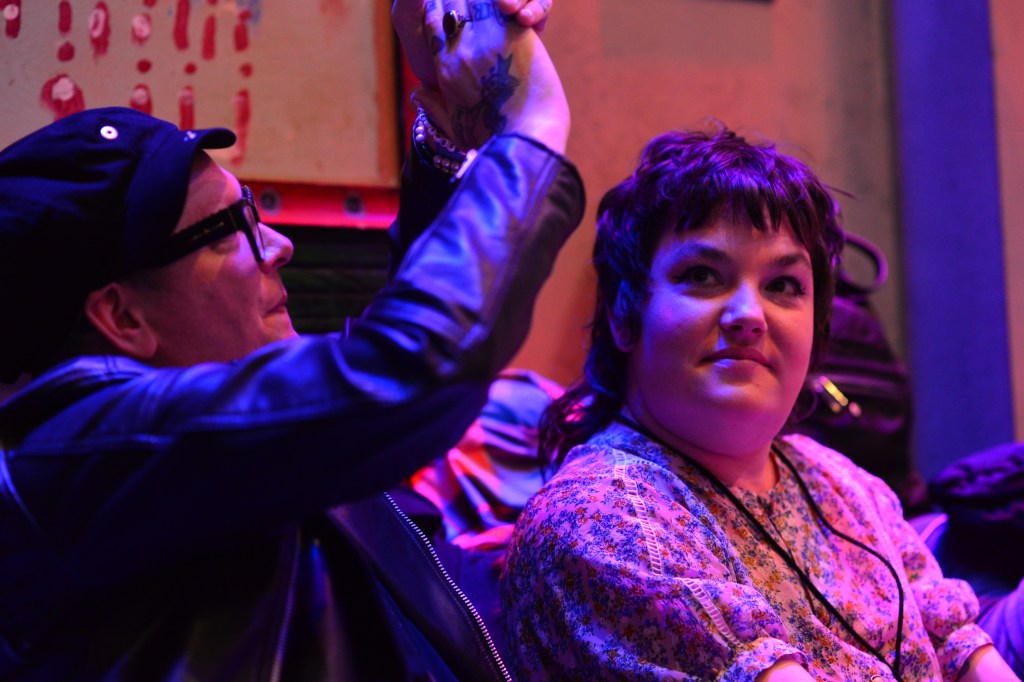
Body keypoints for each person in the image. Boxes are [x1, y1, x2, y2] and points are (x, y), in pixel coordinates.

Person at [0, 0, 584, 679]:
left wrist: (454, 129)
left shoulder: (206, 436)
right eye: (232, 230)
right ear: (122, 317)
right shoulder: (81, 460)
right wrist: (528, 124)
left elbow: (374, 367)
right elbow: (402, 373)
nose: (279, 246)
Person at [501, 126, 1020, 681]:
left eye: (783, 285)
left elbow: (962, 651)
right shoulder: (599, 520)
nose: (750, 315)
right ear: (625, 313)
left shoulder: (841, 483)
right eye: (703, 276)